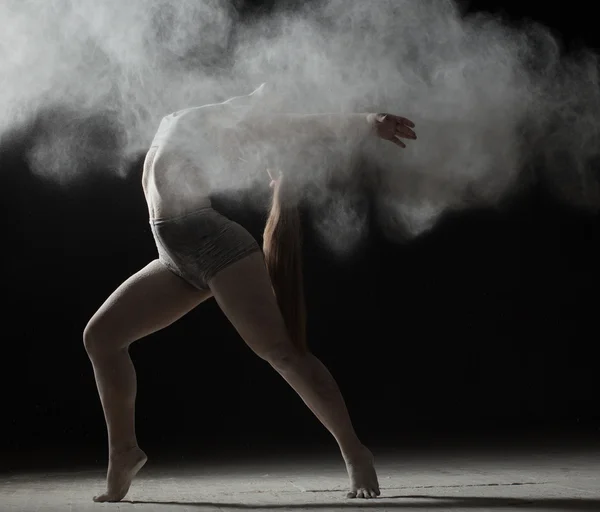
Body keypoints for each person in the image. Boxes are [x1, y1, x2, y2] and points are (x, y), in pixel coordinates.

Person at [83, 84, 417, 503]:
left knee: (281, 353)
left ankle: (355, 452)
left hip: (216, 247)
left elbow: (300, 126)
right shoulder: (195, 116)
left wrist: (367, 122)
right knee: (102, 337)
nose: (262, 91)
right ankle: (123, 453)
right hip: (174, 258)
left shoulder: (231, 118)